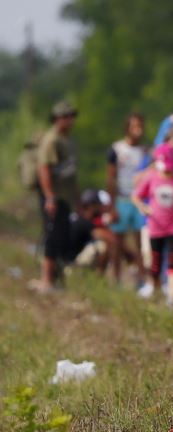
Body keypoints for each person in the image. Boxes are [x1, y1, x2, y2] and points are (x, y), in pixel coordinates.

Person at [132, 143, 173, 305]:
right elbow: (136, 196)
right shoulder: (151, 176)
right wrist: (143, 207)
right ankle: (156, 289)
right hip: (155, 227)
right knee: (155, 263)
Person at [30, 101, 78, 293]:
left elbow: (71, 174)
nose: (70, 120)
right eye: (66, 116)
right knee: (51, 236)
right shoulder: (52, 140)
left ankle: (56, 279)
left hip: (64, 197)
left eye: (71, 116)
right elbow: (44, 169)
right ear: (57, 118)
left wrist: (78, 200)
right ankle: (46, 280)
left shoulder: (68, 140)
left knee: (61, 237)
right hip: (53, 197)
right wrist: (50, 197)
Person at [106, 113, 149, 287]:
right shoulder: (116, 150)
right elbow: (110, 178)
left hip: (139, 200)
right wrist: (111, 206)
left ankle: (142, 280)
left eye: (140, 127)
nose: (138, 131)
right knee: (117, 243)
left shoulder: (146, 151)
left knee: (140, 243)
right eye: (134, 127)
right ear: (128, 129)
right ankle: (116, 279)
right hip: (121, 199)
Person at [69, 189, 116, 273]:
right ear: (92, 206)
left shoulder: (76, 217)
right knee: (102, 246)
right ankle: (98, 277)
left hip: (67, 261)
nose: (100, 207)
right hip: (72, 265)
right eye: (98, 205)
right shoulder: (84, 222)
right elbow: (110, 239)